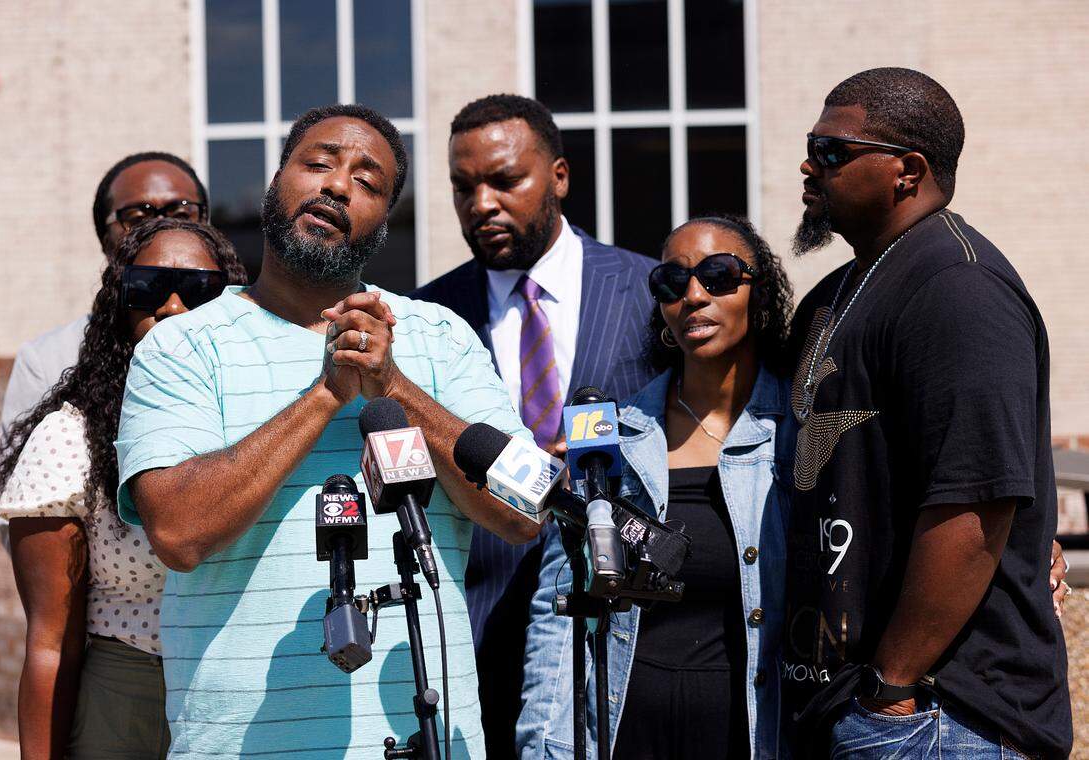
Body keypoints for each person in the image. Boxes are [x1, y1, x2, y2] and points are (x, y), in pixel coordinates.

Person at [113, 104, 538, 757]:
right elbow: (177, 532)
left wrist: (393, 386)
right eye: (318, 164)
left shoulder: (441, 337)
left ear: (385, 220)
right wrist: (325, 395)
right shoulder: (182, 346)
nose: (338, 186)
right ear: (277, 180)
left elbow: (526, 507)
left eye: (367, 182)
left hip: (426, 737)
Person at [782, 67, 1072, 758]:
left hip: (941, 716)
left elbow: (976, 505)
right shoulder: (840, 292)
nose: (808, 166)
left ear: (906, 171)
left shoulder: (959, 288)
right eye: (811, 147)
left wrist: (892, 685)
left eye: (831, 151)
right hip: (855, 704)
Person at [412, 94, 657, 757]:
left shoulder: (649, 291)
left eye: (504, 181)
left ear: (559, 176)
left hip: (614, 627)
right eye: (463, 187)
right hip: (474, 634)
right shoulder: (426, 317)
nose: (481, 204)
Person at [518, 214, 795, 759]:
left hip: (752, 734)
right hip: (624, 732)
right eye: (672, 281)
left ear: (758, 293)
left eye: (718, 275)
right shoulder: (611, 437)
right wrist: (545, 746)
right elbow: (559, 610)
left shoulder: (797, 433)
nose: (694, 295)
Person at [0, 219, 246, 759]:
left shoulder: (267, 424)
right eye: (149, 287)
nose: (172, 307)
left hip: (244, 697)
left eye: (199, 290)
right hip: (124, 707)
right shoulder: (70, 438)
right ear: (119, 305)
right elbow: (51, 645)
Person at [0, 152, 209, 546]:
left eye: (182, 212)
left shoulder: (241, 335)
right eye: (138, 215)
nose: (161, 225)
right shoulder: (48, 359)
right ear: (104, 239)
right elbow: (26, 515)